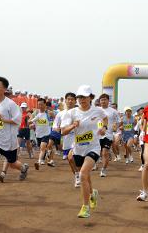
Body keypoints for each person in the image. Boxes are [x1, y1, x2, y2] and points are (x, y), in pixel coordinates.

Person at [61, 85, 107, 218]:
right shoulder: (71, 113)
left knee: (82, 175)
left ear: (91, 97)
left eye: (85, 97)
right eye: (79, 97)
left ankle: (85, 207)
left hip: (93, 148)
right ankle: (93, 194)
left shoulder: (97, 110)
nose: (82, 99)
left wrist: (104, 127)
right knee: (85, 175)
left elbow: (105, 119)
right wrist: (73, 126)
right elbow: (63, 131)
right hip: (78, 149)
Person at [0, 77, 29, 203]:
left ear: (4, 89)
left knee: (13, 163)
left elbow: (18, 121)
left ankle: (24, 168)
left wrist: (3, 119)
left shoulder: (11, 105)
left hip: (8, 141)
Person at [60, 92, 80, 187]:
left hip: (80, 140)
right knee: (71, 160)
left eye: (72, 99)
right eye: (68, 99)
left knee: (71, 158)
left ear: (75, 101)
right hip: (67, 141)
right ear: (65, 101)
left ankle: (79, 176)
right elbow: (61, 129)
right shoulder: (62, 114)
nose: (70, 101)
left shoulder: (79, 111)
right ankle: (77, 175)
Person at [98, 93, 119, 177]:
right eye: (101, 100)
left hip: (108, 135)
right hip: (97, 135)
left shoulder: (113, 111)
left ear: (108, 101)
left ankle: (103, 169)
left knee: (104, 153)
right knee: (97, 153)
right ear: (99, 101)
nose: (103, 101)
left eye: (105, 99)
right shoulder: (96, 110)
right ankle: (95, 164)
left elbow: (118, 121)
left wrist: (115, 127)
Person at [31, 98, 52, 170]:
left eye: (41, 104)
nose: (40, 106)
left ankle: (39, 162)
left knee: (42, 147)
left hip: (46, 133)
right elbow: (31, 122)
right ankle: (44, 156)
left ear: (45, 105)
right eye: (39, 104)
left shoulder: (48, 113)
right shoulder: (35, 113)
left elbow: (55, 119)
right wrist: (31, 125)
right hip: (38, 134)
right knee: (42, 148)